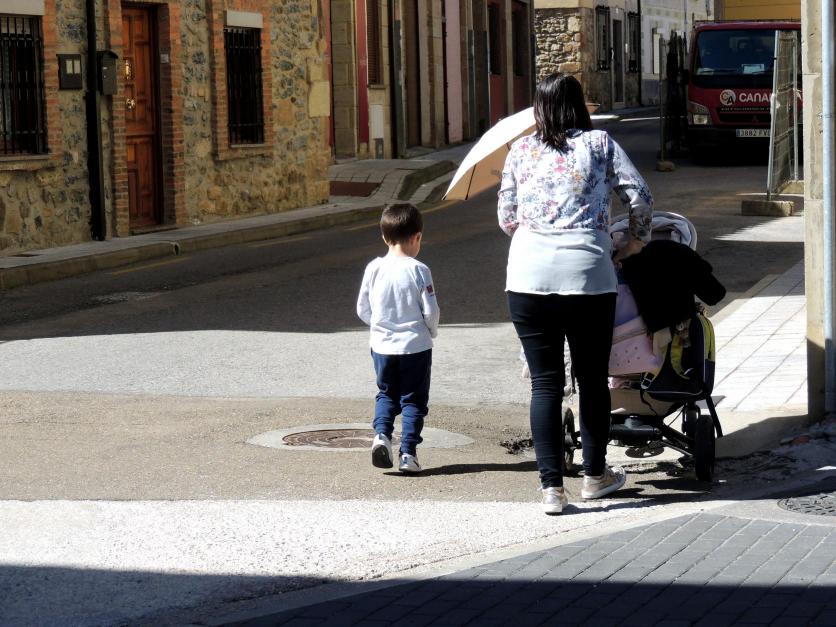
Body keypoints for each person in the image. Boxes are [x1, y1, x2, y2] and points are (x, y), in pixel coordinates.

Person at [498, 74, 653, 515]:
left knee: (545, 383)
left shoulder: (520, 150)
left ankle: (551, 489)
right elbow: (640, 197)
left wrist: (539, 234)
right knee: (591, 379)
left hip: (528, 276)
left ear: (539, 108)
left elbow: (507, 217)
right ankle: (594, 476)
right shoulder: (600, 144)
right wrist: (634, 242)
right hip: (588, 275)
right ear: (579, 105)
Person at [356, 203, 440, 474]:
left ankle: (382, 435)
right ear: (417, 237)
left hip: (381, 346)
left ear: (384, 237)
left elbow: (362, 308)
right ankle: (408, 454)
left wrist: (379, 327)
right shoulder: (419, 270)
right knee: (413, 400)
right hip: (415, 346)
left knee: (387, 394)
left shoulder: (374, 268)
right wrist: (431, 331)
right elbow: (431, 310)